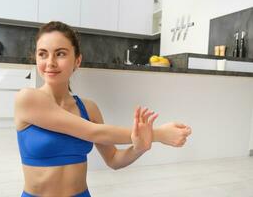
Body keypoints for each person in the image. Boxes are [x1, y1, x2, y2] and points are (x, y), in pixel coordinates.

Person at [14, 21, 192, 197]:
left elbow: (114, 160)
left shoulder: (88, 108)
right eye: (42, 54)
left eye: (60, 54)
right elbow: (93, 132)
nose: (50, 62)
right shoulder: (27, 99)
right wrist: (158, 134)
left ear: (77, 60)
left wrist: (140, 146)